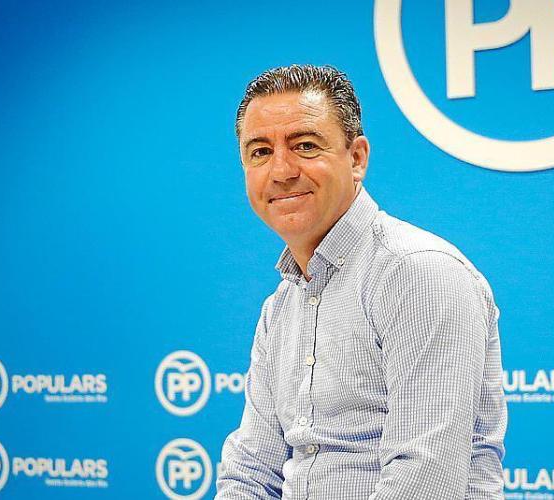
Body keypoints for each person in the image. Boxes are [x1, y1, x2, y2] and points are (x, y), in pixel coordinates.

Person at [215, 64, 507, 499]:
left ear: (356, 158)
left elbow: (425, 480)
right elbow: (251, 474)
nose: (281, 170)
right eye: (259, 152)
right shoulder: (280, 306)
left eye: (305, 146)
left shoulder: (418, 273)